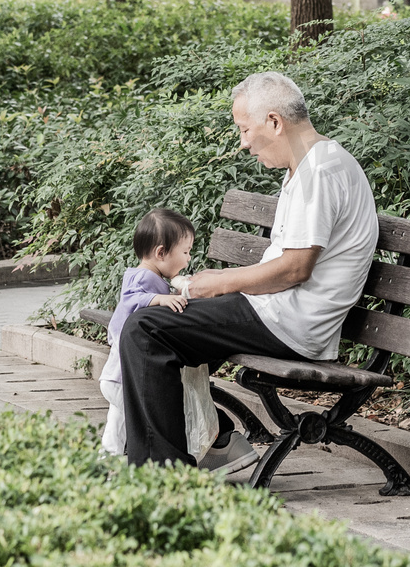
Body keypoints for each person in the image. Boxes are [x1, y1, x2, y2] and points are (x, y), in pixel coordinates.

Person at [117, 71, 380, 472]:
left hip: (288, 322)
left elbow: (295, 269)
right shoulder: (309, 166)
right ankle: (212, 444)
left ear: (274, 122)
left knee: (145, 330)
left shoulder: (320, 172)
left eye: (244, 130)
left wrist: (218, 284)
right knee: (154, 327)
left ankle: (162, 473)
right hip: (274, 312)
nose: (243, 143)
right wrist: (214, 287)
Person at [99, 208, 195, 456]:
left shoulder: (151, 279)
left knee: (117, 426)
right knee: (135, 423)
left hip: (117, 376)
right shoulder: (143, 278)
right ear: (161, 253)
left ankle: (108, 463)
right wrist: (160, 299)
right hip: (125, 378)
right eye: (185, 252)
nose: (189, 259)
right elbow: (132, 300)